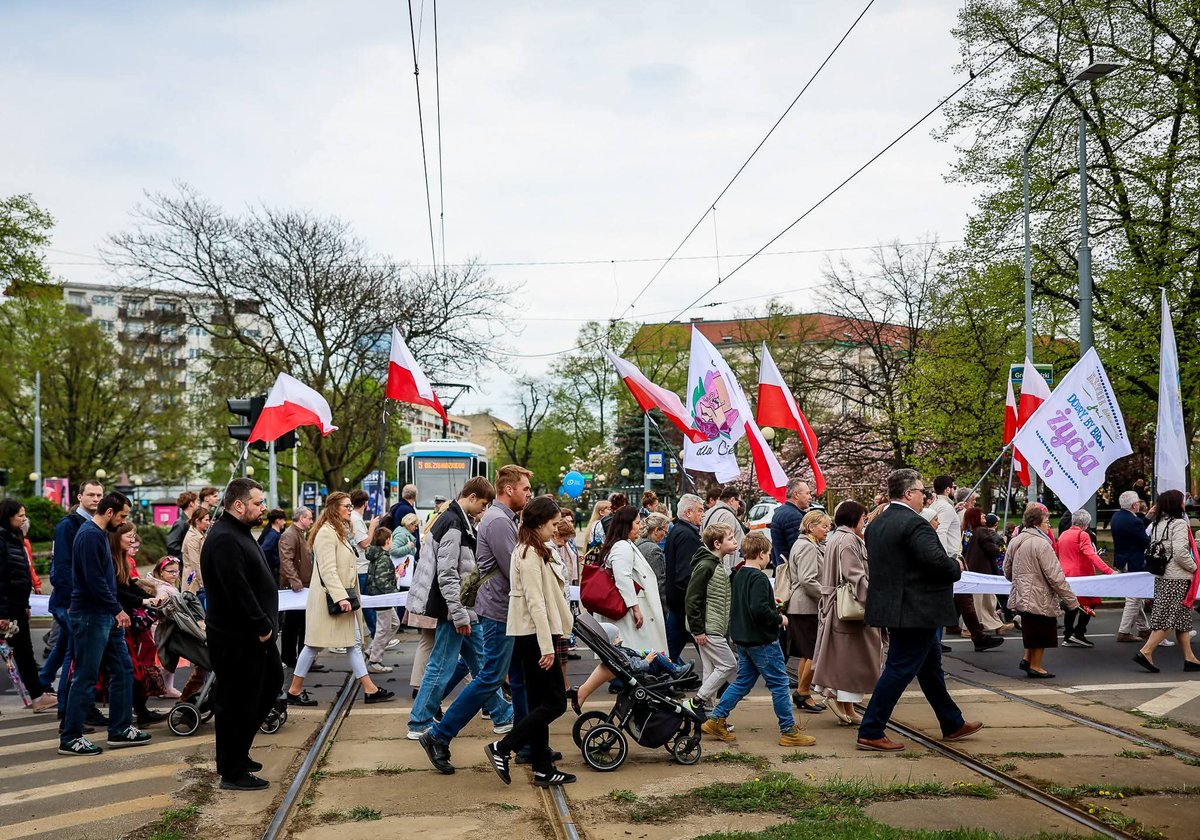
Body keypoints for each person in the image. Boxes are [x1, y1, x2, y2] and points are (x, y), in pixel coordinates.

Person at [856, 469, 982, 752]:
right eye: (922, 491)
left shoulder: (877, 523)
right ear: (908, 493)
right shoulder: (914, 524)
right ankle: (871, 729)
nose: (925, 496)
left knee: (930, 668)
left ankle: (952, 722)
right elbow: (936, 562)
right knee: (900, 668)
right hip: (917, 609)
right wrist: (956, 566)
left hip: (896, 606)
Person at [429, 466, 532, 762]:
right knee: (490, 677)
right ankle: (439, 734)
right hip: (500, 610)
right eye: (525, 488)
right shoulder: (499, 521)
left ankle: (526, 742)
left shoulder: (503, 519)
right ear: (509, 489)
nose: (528, 494)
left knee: (519, 678)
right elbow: (516, 570)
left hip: (506, 610)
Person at [407, 477, 510, 743]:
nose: (484, 510)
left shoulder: (455, 520)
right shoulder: (454, 524)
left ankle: (502, 714)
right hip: (456, 609)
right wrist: (459, 614)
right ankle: (419, 721)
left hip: (458, 608)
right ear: (472, 497)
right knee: (443, 665)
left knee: (482, 664)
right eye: (484, 504)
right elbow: (448, 574)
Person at [485, 496, 576, 788]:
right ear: (538, 524)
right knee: (555, 703)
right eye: (551, 524)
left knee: (541, 702)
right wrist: (547, 646)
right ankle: (504, 746)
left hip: (534, 634)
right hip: (535, 635)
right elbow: (535, 602)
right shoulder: (528, 554)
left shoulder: (532, 549)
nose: (554, 529)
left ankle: (542, 767)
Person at [200, 479, 284, 790]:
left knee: (269, 685)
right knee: (236, 702)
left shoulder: (238, 533)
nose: (263, 508)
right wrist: (261, 626)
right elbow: (237, 588)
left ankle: (239, 752)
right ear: (239, 505)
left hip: (252, 636)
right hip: (238, 637)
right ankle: (232, 771)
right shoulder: (224, 538)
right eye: (258, 503)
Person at [700, 532, 816, 748]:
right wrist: (779, 618)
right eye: (769, 553)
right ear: (762, 554)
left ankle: (716, 718)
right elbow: (759, 610)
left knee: (743, 682)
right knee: (780, 684)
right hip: (762, 640)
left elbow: (748, 604)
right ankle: (788, 730)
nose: (769, 557)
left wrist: (771, 603)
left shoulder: (739, 574)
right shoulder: (760, 577)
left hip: (743, 639)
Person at [59, 492, 150, 756]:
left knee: (122, 669)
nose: (123, 522)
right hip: (91, 614)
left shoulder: (98, 535)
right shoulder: (89, 535)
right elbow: (93, 580)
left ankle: (120, 729)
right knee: (85, 676)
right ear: (109, 512)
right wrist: (117, 609)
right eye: (122, 516)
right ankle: (70, 736)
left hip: (104, 615)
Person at [287, 491, 395, 710]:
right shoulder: (327, 533)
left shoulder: (338, 532)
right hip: (332, 600)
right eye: (346, 506)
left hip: (342, 599)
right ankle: (294, 690)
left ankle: (369, 688)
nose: (350, 510)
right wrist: (341, 597)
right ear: (335, 508)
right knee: (313, 645)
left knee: (352, 643)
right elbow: (328, 570)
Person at [812, 501, 883, 724]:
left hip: (835, 607)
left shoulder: (836, 538)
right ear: (854, 518)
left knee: (842, 659)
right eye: (863, 518)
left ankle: (845, 707)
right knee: (852, 660)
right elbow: (856, 576)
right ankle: (846, 706)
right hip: (849, 610)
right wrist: (873, 600)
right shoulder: (849, 540)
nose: (865, 522)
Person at [41, 479, 105, 716]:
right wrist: (70, 603)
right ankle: (68, 707)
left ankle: (50, 688)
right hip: (69, 601)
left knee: (67, 648)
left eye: (99, 495)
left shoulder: (95, 524)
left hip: (79, 602)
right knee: (75, 652)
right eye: (91, 494)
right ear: (79, 497)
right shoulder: (68, 525)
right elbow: (63, 568)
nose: (96, 499)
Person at [926, 476, 1001, 653]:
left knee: (960, 599)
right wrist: (943, 559)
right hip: (951, 558)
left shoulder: (937, 506)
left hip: (950, 557)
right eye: (952, 487)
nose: (954, 490)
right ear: (947, 490)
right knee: (964, 599)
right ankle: (977, 637)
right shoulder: (944, 507)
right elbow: (941, 533)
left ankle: (969, 635)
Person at [1004, 504, 1080, 679]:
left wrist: (1019, 581)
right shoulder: (1042, 544)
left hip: (1022, 593)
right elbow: (1055, 575)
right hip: (1039, 594)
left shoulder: (1016, 540)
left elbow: (1006, 569)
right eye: (1046, 521)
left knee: (1031, 628)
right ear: (1037, 523)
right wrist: (1071, 600)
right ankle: (1036, 666)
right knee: (1041, 631)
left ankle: (1027, 659)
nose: (1049, 525)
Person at [106, 523, 167, 725]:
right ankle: (120, 722)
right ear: (117, 538)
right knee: (124, 670)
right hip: (116, 619)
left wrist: (150, 598)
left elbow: (129, 586)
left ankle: (139, 712)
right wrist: (143, 601)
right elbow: (118, 591)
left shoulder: (123, 559)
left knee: (132, 670)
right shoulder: (113, 560)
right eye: (129, 536)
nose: (133, 540)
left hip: (126, 618)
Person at [0, 500, 58, 713]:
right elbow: (2, 579)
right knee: (23, 652)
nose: (24, 519)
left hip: (17, 605)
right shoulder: (3, 540)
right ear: (8, 516)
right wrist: (3, 613)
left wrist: (24, 603)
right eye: (20, 516)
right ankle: (37, 696)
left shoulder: (15, 538)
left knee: (24, 652)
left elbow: (21, 573)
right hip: (8, 608)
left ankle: (37, 696)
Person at [1135, 490, 1200, 673]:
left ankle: (1190, 658)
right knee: (1168, 619)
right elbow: (1180, 553)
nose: (1184, 503)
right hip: (1177, 577)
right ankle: (1146, 651)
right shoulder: (1179, 523)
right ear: (1176, 504)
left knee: (1181, 619)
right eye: (1182, 501)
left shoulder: (1159, 523)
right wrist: (1194, 568)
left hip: (1163, 576)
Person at [570, 624, 693, 711]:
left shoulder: (617, 651)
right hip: (644, 668)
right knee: (657, 657)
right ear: (611, 640)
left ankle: (674, 669)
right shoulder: (619, 653)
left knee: (658, 656)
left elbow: (635, 653)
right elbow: (634, 665)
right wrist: (647, 660)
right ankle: (676, 671)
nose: (620, 638)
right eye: (617, 636)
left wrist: (647, 654)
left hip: (641, 663)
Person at [598, 506, 668, 654]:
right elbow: (623, 578)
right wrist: (635, 608)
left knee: (633, 653)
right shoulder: (622, 546)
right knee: (633, 653)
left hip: (627, 606)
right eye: (637, 523)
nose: (640, 526)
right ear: (626, 525)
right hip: (628, 609)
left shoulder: (622, 544)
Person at [683, 522, 738, 713]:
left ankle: (707, 715)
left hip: (712, 626)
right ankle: (696, 702)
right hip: (708, 627)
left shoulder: (716, 564)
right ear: (717, 544)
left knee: (710, 670)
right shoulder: (707, 566)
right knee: (729, 664)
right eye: (730, 539)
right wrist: (698, 629)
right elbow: (692, 599)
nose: (735, 542)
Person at [781, 510, 829, 715]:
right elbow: (808, 580)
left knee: (806, 653)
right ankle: (803, 691)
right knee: (813, 653)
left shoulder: (805, 544)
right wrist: (826, 598)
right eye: (824, 526)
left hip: (801, 608)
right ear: (811, 527)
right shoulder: (808, 547)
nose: (828, 530)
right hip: (806, 607)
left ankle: (803, 692)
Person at [1056, 510, 1115, 647]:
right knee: (1090, 602)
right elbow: (1091, 555)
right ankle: (1079, 633)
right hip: (1082, 575)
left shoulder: (1064, 534)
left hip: (1067, 575)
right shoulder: (1082, 535)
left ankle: (1068, 635)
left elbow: (1058, 554)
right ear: (1086, 523)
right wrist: (1108, 571)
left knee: (1072, 605)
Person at [663, 493, 703, 663]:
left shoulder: (678, 531)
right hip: (684, 604)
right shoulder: (687, 536)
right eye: (700, 511)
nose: (703, 514)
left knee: (671, 649)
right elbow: (686, 575)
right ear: (688, 513)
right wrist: (694, 603)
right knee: (672, 650)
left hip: (678, 602)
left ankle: (721, 686)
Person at [962, 507, 1011, 636]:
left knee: (987, 601)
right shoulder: (982, 531)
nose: (985, 518)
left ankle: (996, 625)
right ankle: (969, 628)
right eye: (982, 516)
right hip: (982, 572)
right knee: (981, 601)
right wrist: (1000, 547)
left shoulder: (970, 532)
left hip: (975, 570)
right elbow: (992, 550)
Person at [278, 507, 316, 672]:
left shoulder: (297, 534)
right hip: (298, 588)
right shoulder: (290, 535)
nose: (311, 521)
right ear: (302, 518)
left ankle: (300, 658)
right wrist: (295, 581)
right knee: (294, 625)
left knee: (300, 624)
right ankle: (292, 658)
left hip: (302, 585)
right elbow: (286, 560)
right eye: (310, 518)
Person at [1112, 490, 1152, 642]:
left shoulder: (1117, 517)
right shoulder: (1133, 521)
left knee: (1135, 596)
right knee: (1134, 598)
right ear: (1135, 505)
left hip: (1122, 560)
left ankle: (1144, 629)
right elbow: (1144, 540)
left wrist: (1147, 518)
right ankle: (1124, 631)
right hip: (1134, 562)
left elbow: (1135, 529)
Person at [143, 556, 184, 697]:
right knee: (164, 659)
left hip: (169, 627)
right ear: (161, 572)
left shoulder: (168, 586)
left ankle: (167, 687)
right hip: (162, 628)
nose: (174, 574)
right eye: (170, 571)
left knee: (170, 658)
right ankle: (160, 687)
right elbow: (160, 609)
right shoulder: (162, 589)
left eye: (177, 571)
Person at [364, 527, 402, 673]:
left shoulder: (377, 555)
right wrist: (395, 592)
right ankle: (375, 660)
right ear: (387, 541)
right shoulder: (384, 558)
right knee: (383, 629)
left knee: (394, 623)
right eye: (391, 539)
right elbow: (382, 582)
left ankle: (373, 649)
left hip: (380, 597)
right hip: (383, 599)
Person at [348, 489, 377, 637]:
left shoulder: (353, 517)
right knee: (366, 603)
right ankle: (376, 633)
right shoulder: (356, 519)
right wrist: (372, 527)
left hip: (359, 566)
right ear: (365, 503)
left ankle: (373, 633)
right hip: (361, 567)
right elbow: (364, 543)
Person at [770, 479, 813, 568]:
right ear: (796, 495)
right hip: (791, 572)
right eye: (807, 493)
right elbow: (799, 550)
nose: (810, 497)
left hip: (782, 567)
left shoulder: (780, 511)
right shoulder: (794, 516)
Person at [635, 512, 670, 616]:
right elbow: (660, 581)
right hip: (653, 606)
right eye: (665, 531)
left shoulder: (638, 543)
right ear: (656, 530)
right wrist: (665, 609)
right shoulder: (654, 550)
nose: (665, 535)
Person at [701, 487, 745, 567]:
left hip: (709, 562)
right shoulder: (727, 516)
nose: (739, 506)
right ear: (732, 500)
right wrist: (726, 573)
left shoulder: (708, 512)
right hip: (725, 568)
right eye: (739, 502)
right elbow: (725, 545)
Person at [181, 507, 210, 597]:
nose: (208, 523)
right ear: (197, 521)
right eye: (206, 520)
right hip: (193, 580)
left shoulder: (199, 533)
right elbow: (195, 564)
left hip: (195, 578)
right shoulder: (193, 537)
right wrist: (204, 583)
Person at [387, 484, 421, 554]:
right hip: (405, 550)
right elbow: (413, 533)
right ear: (415, 496)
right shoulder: (408, 510)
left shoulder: (396, 507)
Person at [165, 491, 198, 557]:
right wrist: (185, 556)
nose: (198, 504)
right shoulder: (180, 523)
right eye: (197, 501)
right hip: (182, 564)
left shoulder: (188, 521)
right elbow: (172, 545)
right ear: (191, 503)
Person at [258, 508, 287, 584]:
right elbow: (264, 550)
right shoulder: (272, 535)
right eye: (283, 520)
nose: (284, 522)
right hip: (272, 570)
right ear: (277, 520)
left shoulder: (274, 533)